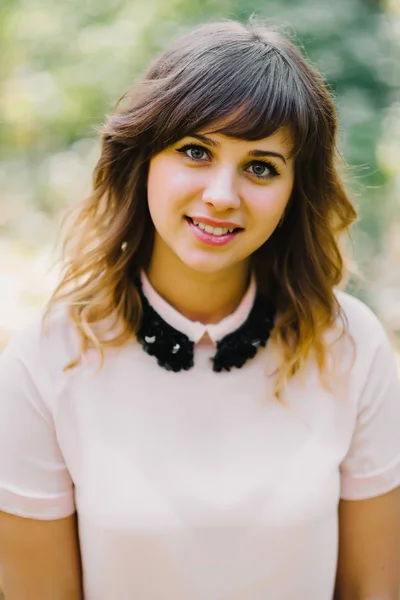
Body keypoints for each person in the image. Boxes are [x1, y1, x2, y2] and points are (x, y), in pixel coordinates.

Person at [0, 18, 399, 600]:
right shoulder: (45, 357)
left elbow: (375, 589)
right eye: (195, 151)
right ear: (143, 159)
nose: (221, 194)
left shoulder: (352, 346)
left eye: (261, 167)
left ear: (295, 193)